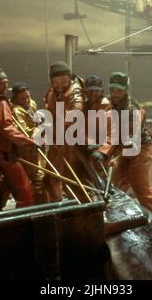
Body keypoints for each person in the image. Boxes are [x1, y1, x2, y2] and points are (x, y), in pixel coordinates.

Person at [90, 72, 152, 217]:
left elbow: (132, 140)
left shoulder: (132, 109)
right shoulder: (109, 103)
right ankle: (121, 219)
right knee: (117, 187)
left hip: (141, 148)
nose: (115, 93)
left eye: (119, 90)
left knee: (142, 190)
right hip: (123, 146)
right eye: (112, 89)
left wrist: (118, 158)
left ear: (126, 89)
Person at [0, 67, 35, 208]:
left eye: (7, 82)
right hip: (5, 154)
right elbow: (5, 128)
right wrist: (29, 142)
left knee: (4, 188)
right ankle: (25, 222)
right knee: (25, 192)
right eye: (1, 83)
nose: (6, 86)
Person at [43, 61, 87, 203]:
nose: (59, 85)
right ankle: (57, 204)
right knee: (51, 176)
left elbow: (75, 113)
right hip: (58, 140)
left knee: (73, 178)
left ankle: (83, 209)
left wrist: (55, 125)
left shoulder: (75, 91)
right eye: (56, 82)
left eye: (63, 81)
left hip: (73, 141)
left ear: (69, 78)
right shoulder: (52, 91)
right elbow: (49, 108)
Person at [10, 82, 48, 204]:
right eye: (23, 98)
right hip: (28, 149)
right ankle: (37, 205)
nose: (26, 100)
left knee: (44, 173)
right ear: (16, 98)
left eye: (28, 96)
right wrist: (42, 128)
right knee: (37, 177)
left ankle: (43, 202)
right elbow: (25, 132)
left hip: (40, 145)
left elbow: (36, 118)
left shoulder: (31, 103)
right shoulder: (16, 111)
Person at [83, 75, 113, 167]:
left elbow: (112, 133)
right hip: (89, 151)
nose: (93, 94)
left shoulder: (107, 106)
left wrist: (102, 151)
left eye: (96, 91)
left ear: (102, 91)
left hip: (104, 155)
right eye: (90, 91)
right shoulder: (84, 107)